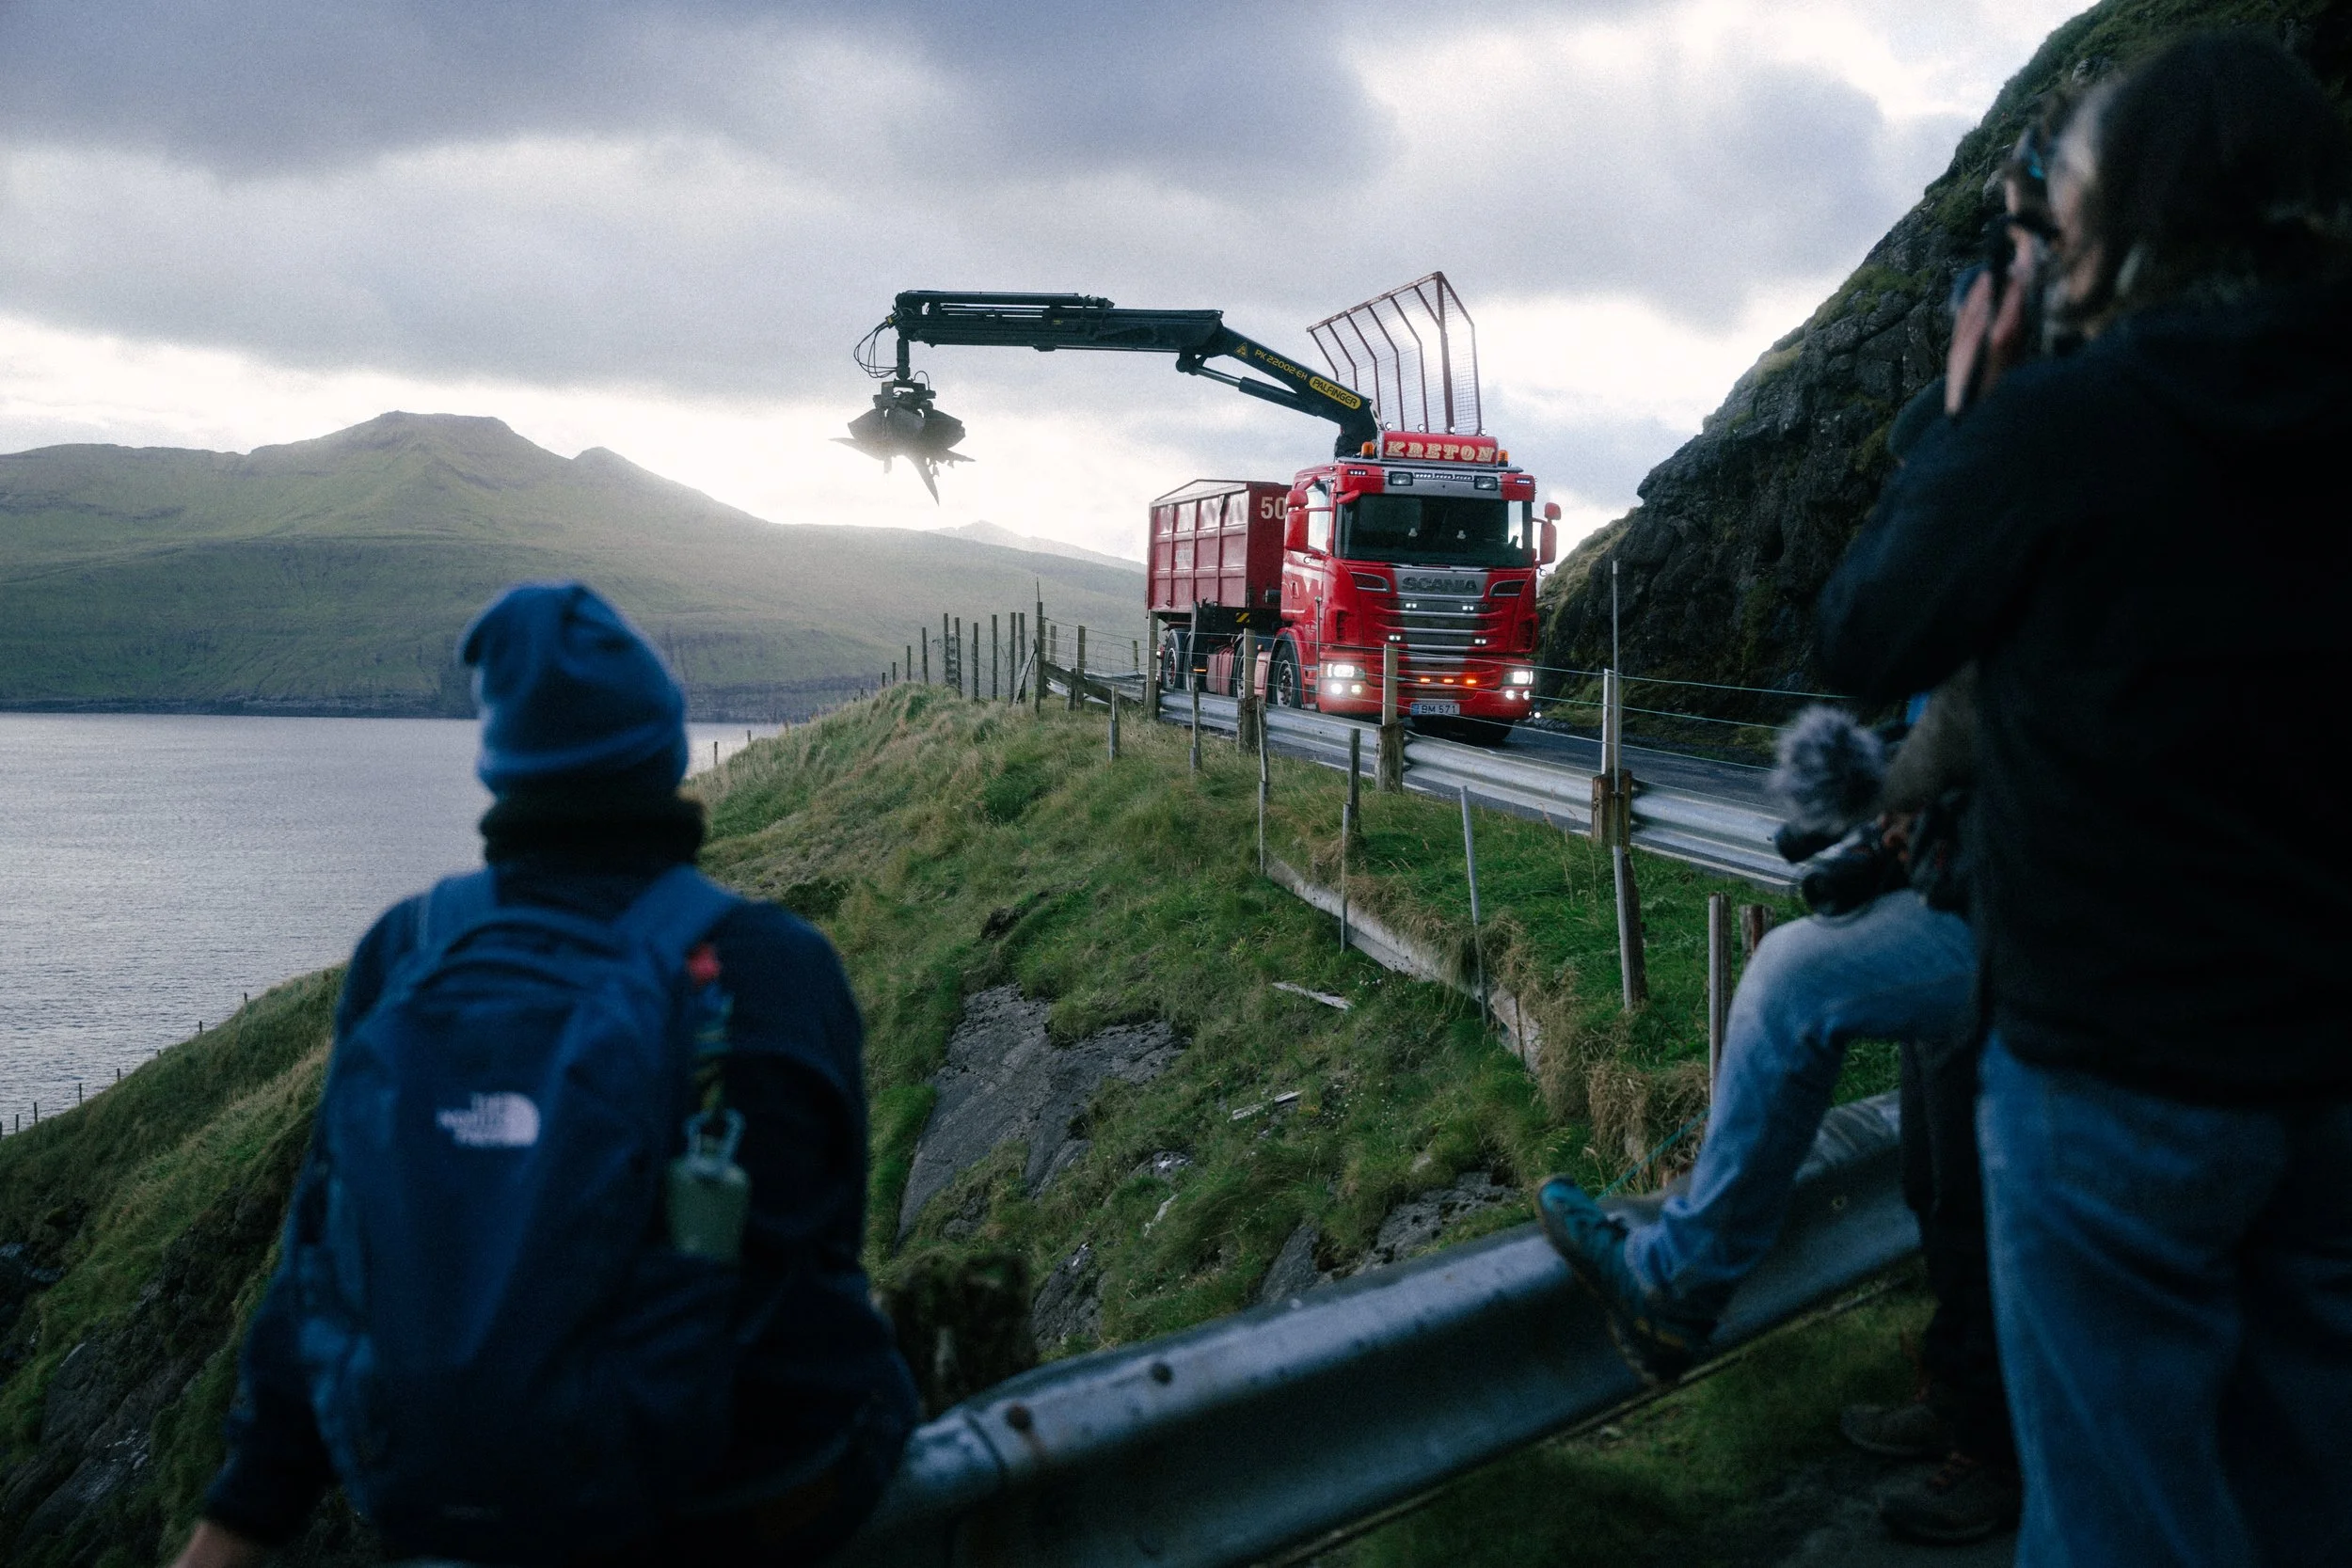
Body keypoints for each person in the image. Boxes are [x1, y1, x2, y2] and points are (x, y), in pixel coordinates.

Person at [1817, 33, 2352, 1568]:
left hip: (2112, 1072)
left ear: (2115, 233)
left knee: (2120, 1515)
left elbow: (1866, 635)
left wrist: (1970, 417)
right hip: (2328, 1074)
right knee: (2305, 1495)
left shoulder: (2068, 430)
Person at [171, 583, 917, 1568]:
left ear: (502, 764)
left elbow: (319, 1251)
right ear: (665, 749)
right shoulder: (775, 963)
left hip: (452, 1507)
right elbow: (823, 1246)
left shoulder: (406, 949)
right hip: (748, 1509)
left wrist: (237, 1523)